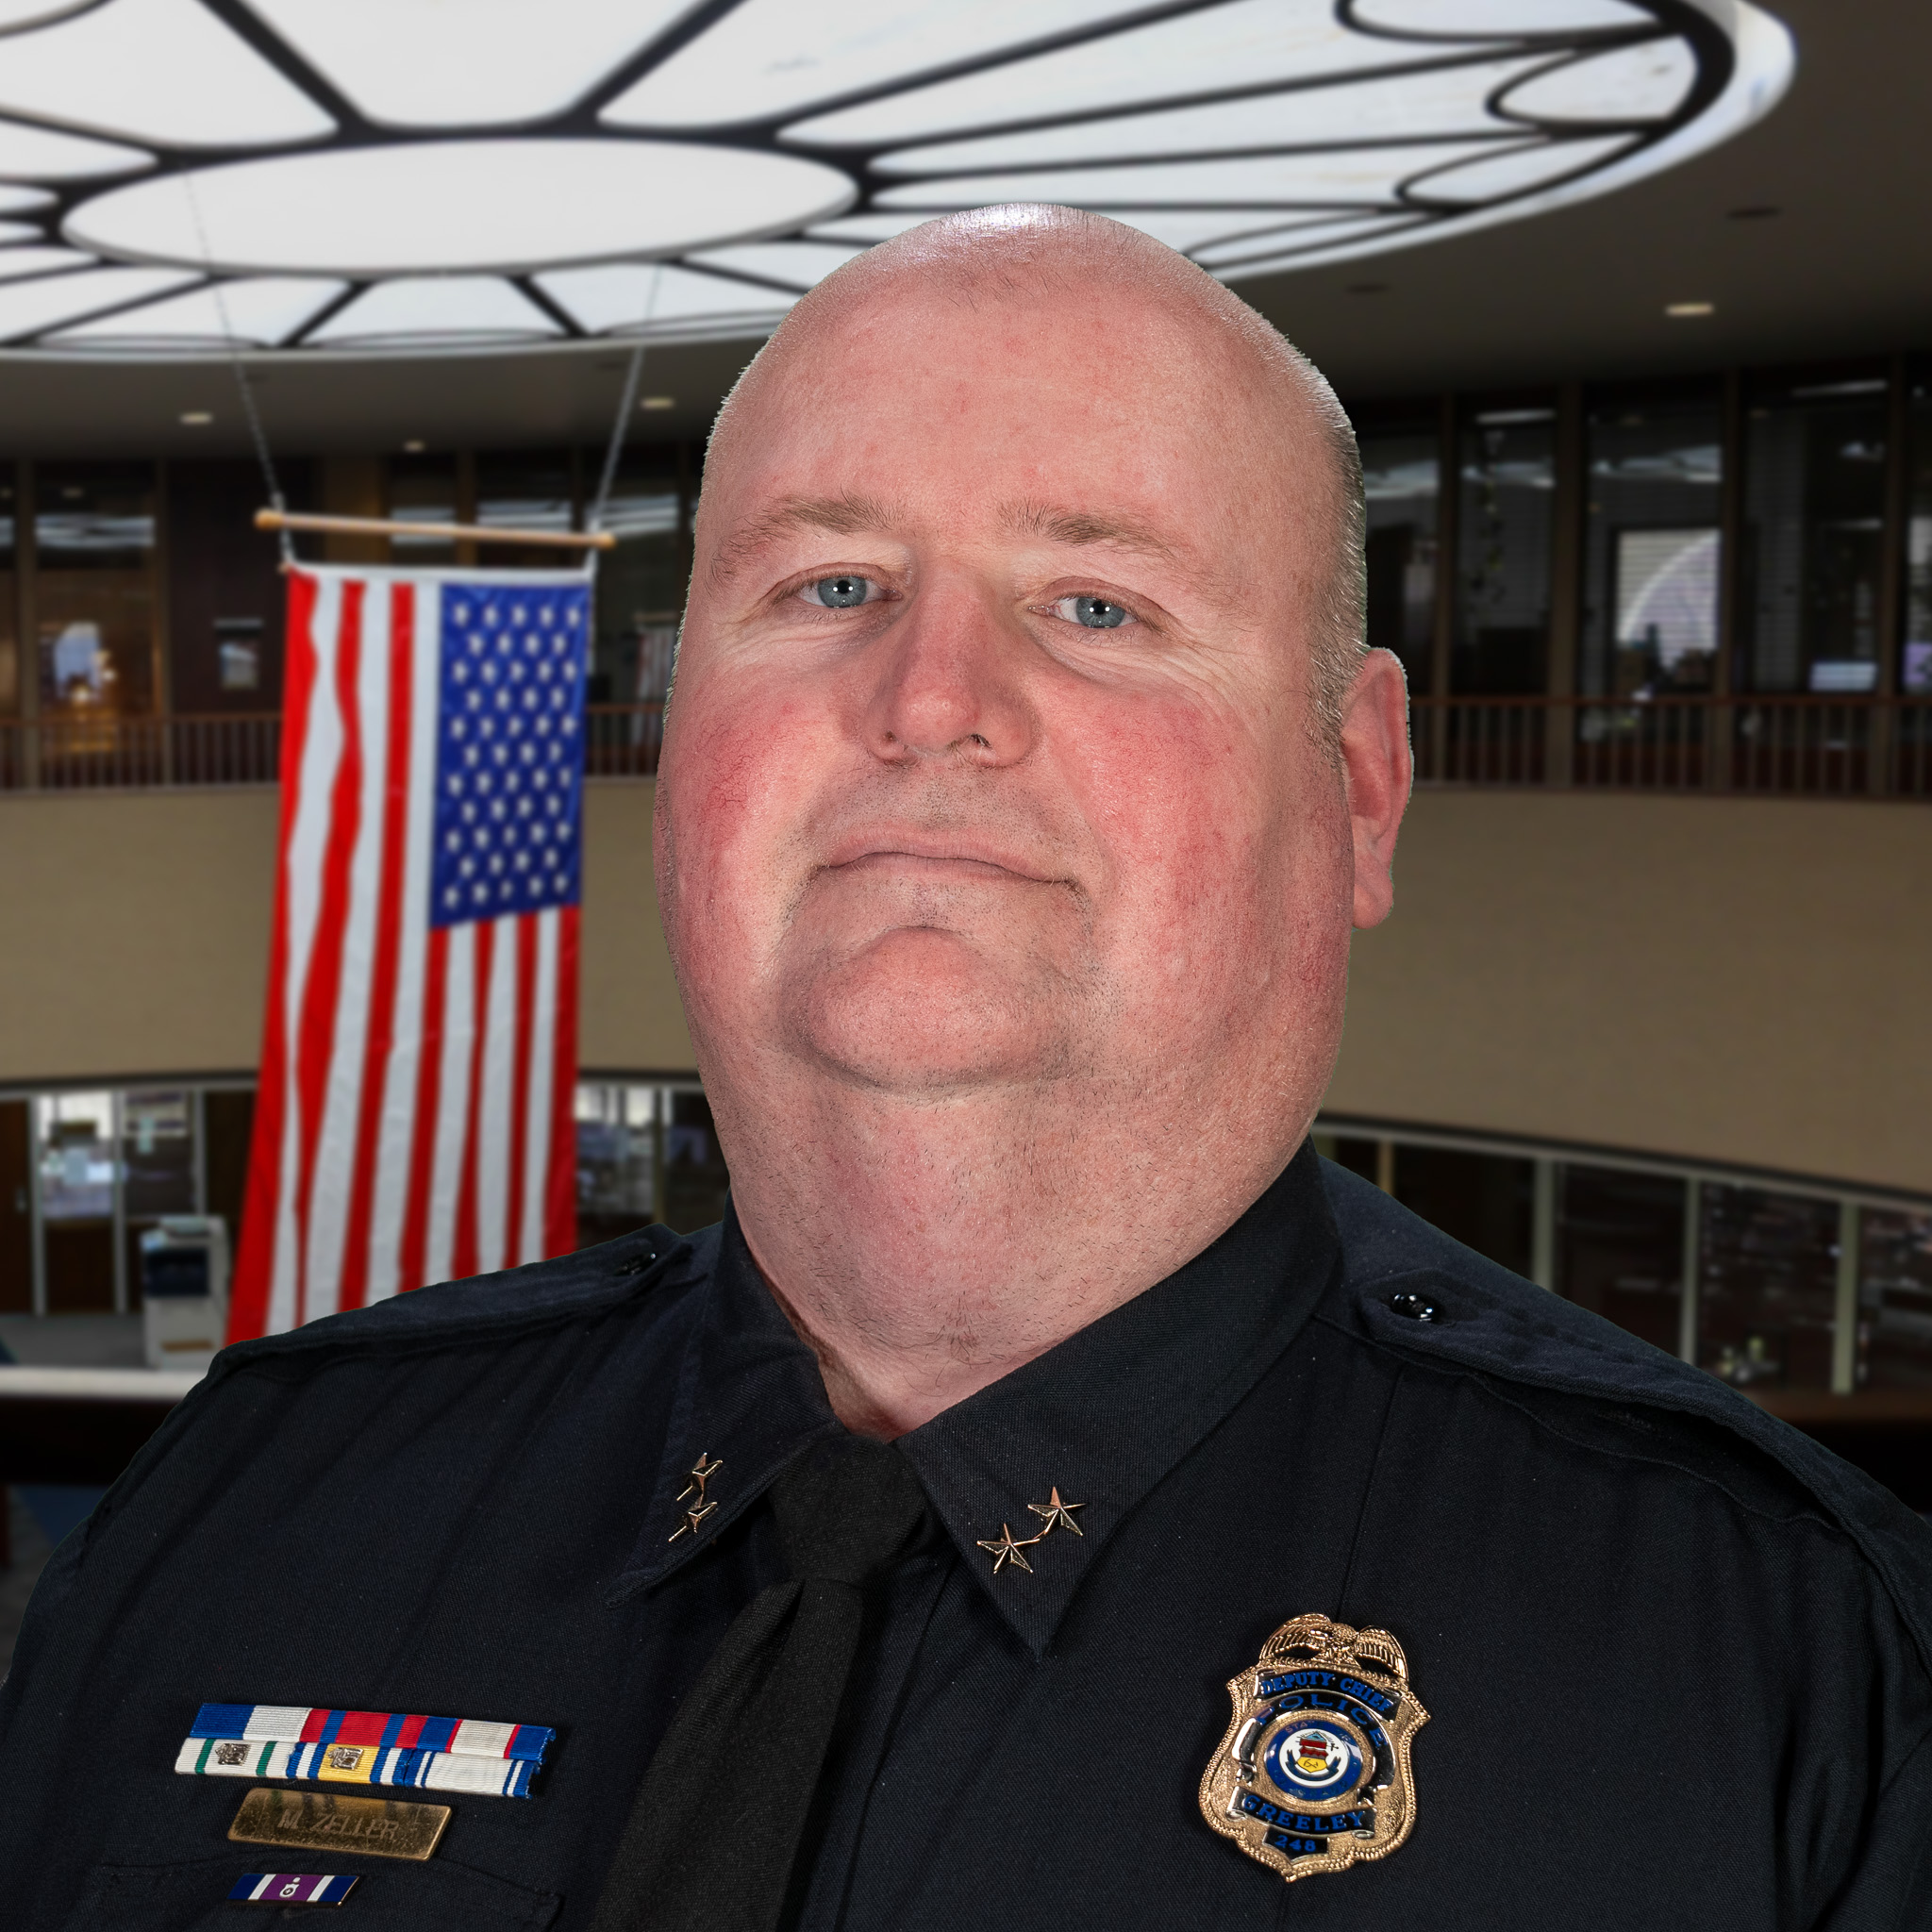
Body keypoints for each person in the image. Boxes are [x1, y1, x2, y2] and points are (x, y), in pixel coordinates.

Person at [2, 207, 1928, 1932]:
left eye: (1097, 604)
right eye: (827, 585)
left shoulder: (1781, 1672)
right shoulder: (264, 1500)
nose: (927, 700)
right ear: (681, 754)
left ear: (1350, 787)